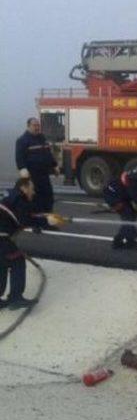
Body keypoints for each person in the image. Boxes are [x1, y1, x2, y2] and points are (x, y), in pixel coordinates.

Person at [0, 178, 65, 309]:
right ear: (23, 187)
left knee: (2, 265)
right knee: (17, 261)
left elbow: (25, 216)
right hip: (2, 238)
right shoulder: (19, 199)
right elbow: (25, 220)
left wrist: (40, 222)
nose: (33, 192)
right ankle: (15, 299)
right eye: (31, 188)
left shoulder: (10, 195)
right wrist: (48, 222)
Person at [15, 118, 59, 213]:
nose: (37, 128)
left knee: (48, 196)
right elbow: (19, 157)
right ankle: (36, 219)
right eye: (34, 125)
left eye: (38, 125)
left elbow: (48, 153)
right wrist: (22, 168)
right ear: (28, 126)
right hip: (32, 176)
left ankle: (47, 216)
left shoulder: (41, 138)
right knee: (35, 197)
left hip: (44, 175)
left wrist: (54, 165)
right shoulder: (22, 140)